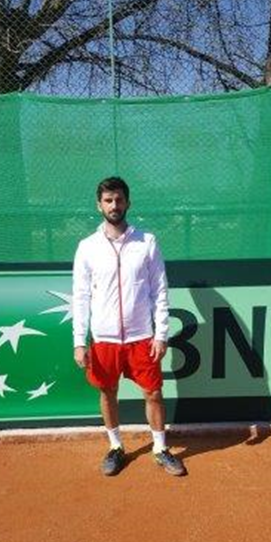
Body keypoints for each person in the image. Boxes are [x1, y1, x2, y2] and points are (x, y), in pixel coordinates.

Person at [72, 176, 185, 477]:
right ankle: (115, 446)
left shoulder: (146, 241)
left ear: (128, 203)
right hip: (104, 338)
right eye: (108, 200)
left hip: (141, 336)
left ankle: (160, 448)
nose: (114, 205)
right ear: (99, 205)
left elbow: (159, 290)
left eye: (119, 199)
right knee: (107, 391)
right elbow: (81, 297)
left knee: (153, 393)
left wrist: (161, 334)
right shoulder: (87, 247)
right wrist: (79, 341)